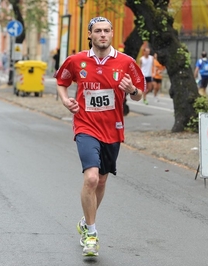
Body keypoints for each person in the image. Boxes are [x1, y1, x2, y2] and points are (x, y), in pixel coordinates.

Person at [54, 16, 145, 257]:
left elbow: (139, 94)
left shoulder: (126, 62)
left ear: (112, 33)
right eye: (98, 31)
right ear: (90, 35)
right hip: (85, 126)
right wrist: (65, 100)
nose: (102, 34)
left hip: (112, 129)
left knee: (102, 181)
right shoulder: (76, 61)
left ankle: (85, 221)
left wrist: (132, 90)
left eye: (106, 30)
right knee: (92, 178)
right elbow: (61, 82)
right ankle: (91, 234)